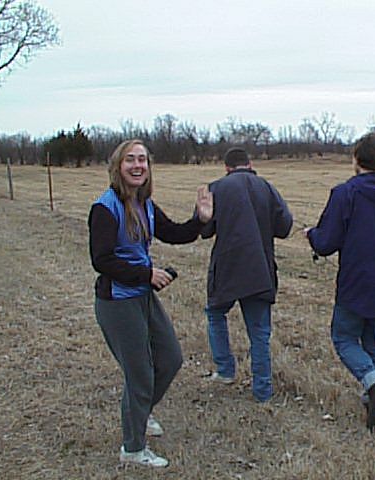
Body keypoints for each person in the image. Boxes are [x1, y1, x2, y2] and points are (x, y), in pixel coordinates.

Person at [88, 139, 213, 467]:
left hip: (142, 296)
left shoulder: (144, 204)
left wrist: (200, 220)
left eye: (142, 159)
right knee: (139, 373)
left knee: (170, 358)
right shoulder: (105, 208)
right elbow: (101, 260)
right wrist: (146, 274)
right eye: (130, 159)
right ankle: (132, 449)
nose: (137, 165)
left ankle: (139, 413)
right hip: (116, 302)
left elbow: (174, 232)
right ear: (118, 166)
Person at [305, 133, 375, 431]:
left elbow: (326, 242)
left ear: (356, 160)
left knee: (343, 338)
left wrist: (311, 236)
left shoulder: (345, 193)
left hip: (355, 281)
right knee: (374, 341)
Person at [201, 147, 293, 403]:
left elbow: (205, 229)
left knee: (215, 314)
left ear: (226, 167)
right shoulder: (267, 188)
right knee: (260, 333)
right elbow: (285, 227)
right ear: (250, 164)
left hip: (227, 269)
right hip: (260, 270)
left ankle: (225, 370)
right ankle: (262, 392)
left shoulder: (216, 188)